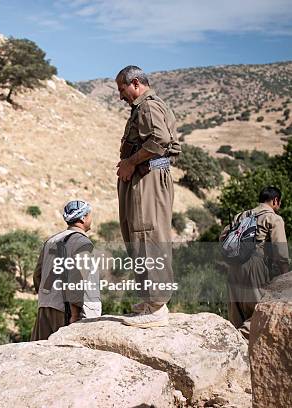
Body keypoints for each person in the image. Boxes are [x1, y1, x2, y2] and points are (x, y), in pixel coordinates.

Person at [115, 65, 182, 328]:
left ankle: (156, 306)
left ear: (135, 83)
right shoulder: (142, 108)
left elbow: (160, 140)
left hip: (149, 177)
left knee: (148, 235)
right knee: (137, 235)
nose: (121, 96)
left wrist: (131, 162)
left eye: (122, 89)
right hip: (143, 178)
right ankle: (149, 300)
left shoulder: (148, 107)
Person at [220, 186, 289, 339]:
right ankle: (240, 340)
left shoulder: (241, 216)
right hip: (256, 265)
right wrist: (286, 279)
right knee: (260, 311)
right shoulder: (273, 218)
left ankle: (233, 346)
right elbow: (281, 251)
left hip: (234, 266)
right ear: (275, 201)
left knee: (236, 314)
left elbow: (223, 236)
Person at [30, 200, 101, 341]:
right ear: (83, 218)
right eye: (90, 215)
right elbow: (78, 278)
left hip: (46, 308)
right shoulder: (82, 242)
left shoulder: (51, 240)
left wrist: (48, 297)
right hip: (69, 312)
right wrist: (75, 314)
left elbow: (37, 275)